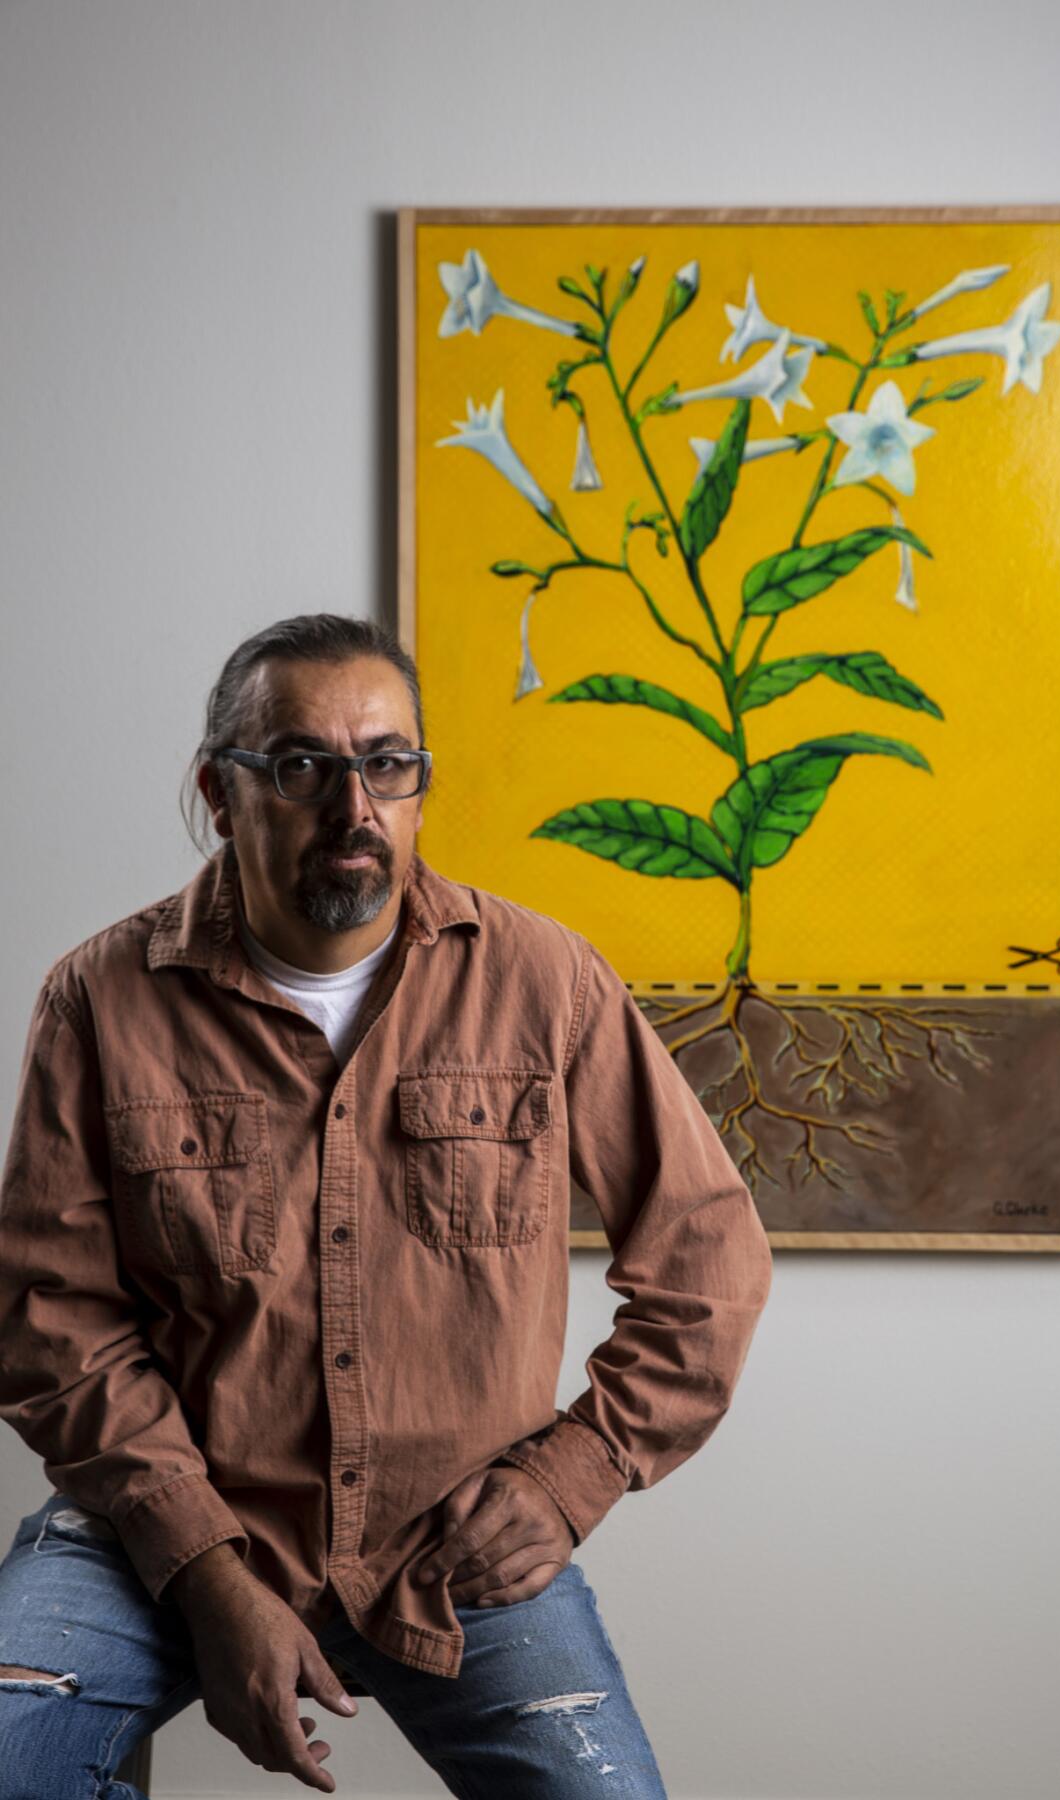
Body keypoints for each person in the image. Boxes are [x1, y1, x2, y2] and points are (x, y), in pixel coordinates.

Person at [0, 612, 773, 1796]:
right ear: (221, 789)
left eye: (389, 764)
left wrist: (572, 1479)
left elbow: (707, 1256)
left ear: (418, 785)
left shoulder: (544, 982)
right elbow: (52, 1318)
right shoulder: (100, 999)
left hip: (451, 1537)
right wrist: (205, 1567)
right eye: (305, 765)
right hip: (158, 1530)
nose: (355, 809)